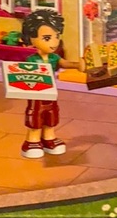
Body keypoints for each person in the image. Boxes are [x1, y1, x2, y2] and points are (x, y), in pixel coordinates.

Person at [20, 9, 85, 159]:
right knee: (35, 116)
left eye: (57, 37)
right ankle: (32, 140)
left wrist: (77, 65)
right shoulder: (32, 60)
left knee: (51, 114)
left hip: (51, 93)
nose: (54, 42)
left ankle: (49, 138)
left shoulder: (53, 58)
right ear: (31, 38)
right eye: (47, 38)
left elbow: (65, 63)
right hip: (36, 95)